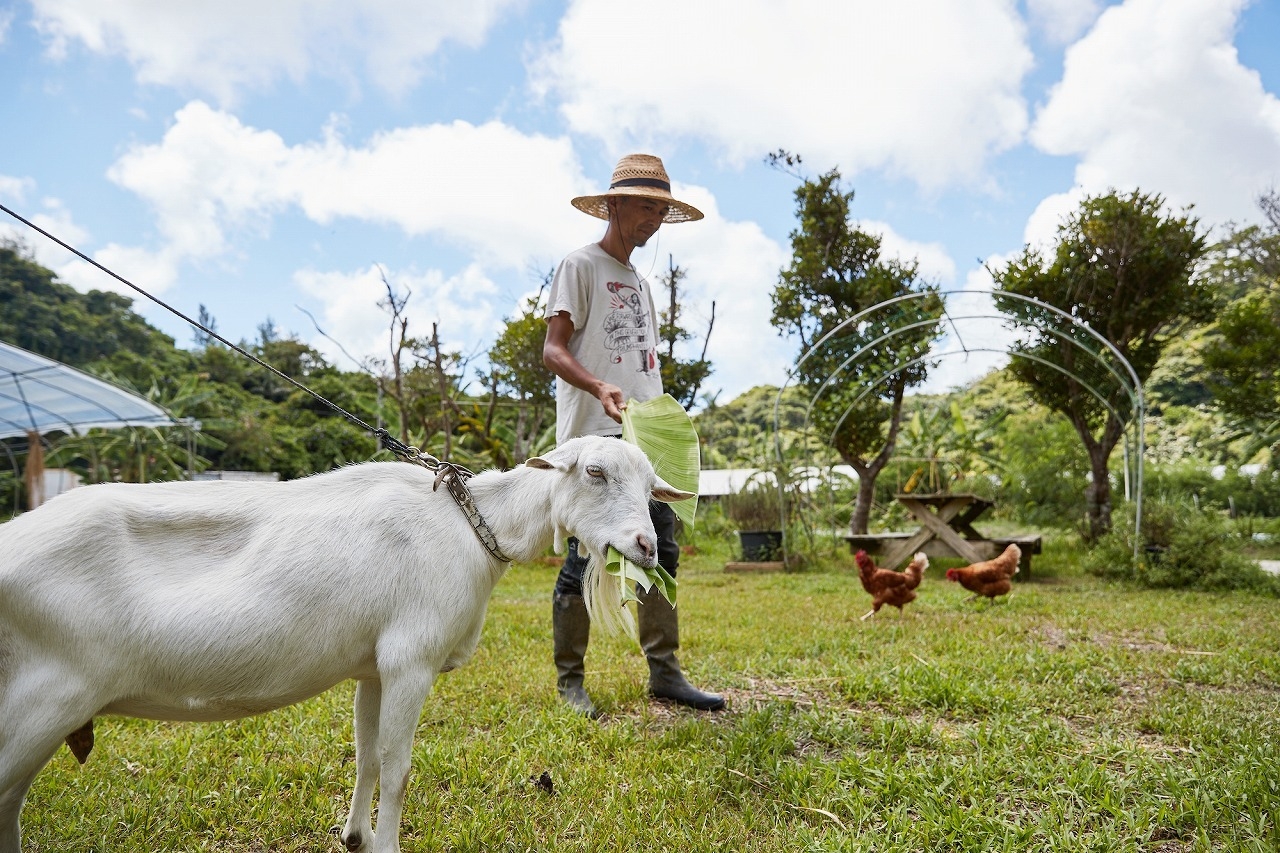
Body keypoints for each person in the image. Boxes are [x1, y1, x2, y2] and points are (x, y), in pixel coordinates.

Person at [542, 153, 725, 717]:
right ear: (615, 204)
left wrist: (663, 423)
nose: (653, 219)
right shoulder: (580, 265)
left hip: (643, 445)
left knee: (660, 549)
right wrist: (598, 386)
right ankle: (570, 682)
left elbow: (642, 365)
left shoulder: (641, 283)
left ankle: (665, 672)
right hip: (595, 442)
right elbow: (553, 350)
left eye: (661, 210)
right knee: (584, 557)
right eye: (645, 206)